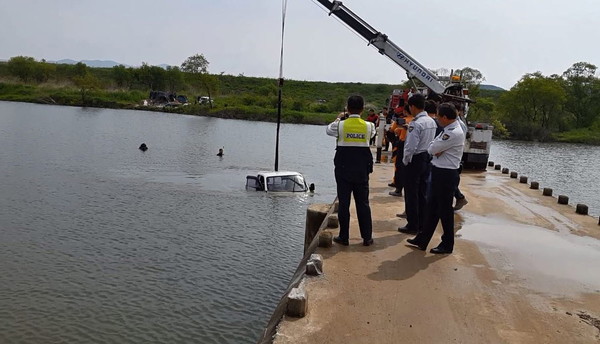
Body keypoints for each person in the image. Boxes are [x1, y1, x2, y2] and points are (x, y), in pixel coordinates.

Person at [406, 103, 466, 254]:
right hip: (439, 171)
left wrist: (436, 149)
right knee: (431, 207)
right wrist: (436, 149)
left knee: (445, 211)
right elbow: (433, 147)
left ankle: (447, 244)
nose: (437, 119)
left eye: (439, 116)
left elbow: (431, 148)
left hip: (446, 174)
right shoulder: (448, 129)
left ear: (445, 117)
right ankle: (422, 239)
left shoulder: (452, 132)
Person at [326, 95, 376, 246]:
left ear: (347, 108)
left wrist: (339, 118)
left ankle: (344, 237)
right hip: (362, 169)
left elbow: (328, 130)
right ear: (362, 109)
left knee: (344, 203)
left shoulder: (340, 125)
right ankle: (367, 238)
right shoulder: (369, 126)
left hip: (343, 169)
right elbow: (372, 136)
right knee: (363, 203)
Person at [398, 93, 437, 235]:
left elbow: (410, 146)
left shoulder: (416, 124)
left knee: (411, 193)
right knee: (422, 192)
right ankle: (421, 223)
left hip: (415, 159)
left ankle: (412, 224)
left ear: (412, 106)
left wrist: (405, 160)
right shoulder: (431, 121)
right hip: (427, 157)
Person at [453, 102, 469, 210]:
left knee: (449, 182)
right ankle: (459, 197)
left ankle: (460, 197)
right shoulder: (455, 124)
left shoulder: (459, 125)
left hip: (454, 157)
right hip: (454, 157)